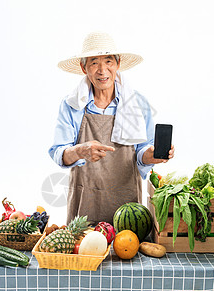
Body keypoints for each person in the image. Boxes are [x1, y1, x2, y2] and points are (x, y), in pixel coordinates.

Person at [49, 32, 174, 225]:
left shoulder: (137, 103)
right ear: (84, 68)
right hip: (84, 204)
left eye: (108, 61)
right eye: (94, 63)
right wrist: (79, 150)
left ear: (118, 64)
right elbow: (59, 153)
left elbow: (142, 153)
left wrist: (152, 155)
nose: (102, 70)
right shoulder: (72, 105)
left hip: (127, 206)